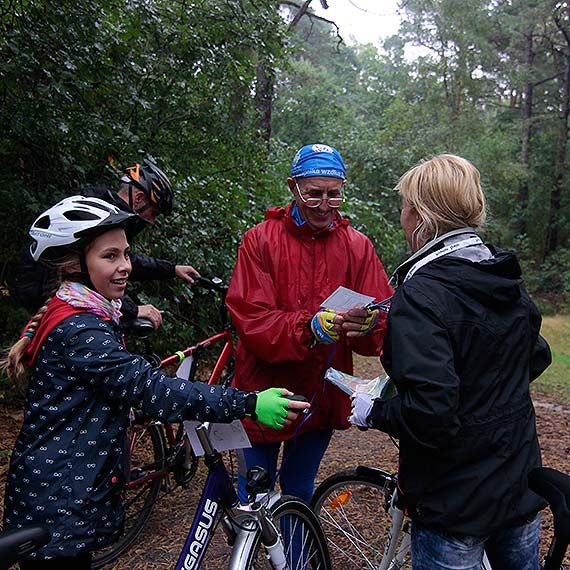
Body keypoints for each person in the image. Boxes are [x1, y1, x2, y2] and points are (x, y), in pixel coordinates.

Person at [1, 195, 309, 568]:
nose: (125, 266)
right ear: (75, 264)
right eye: (110, 256)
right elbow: (153, 390)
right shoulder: (79, 328)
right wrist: (247, 403)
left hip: (61, 490)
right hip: (59, 499)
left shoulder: (82, 311)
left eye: (126, 254)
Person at [349, 154, 552, 570]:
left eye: (405, 207)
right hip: (517, 483)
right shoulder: (499, 273)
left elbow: (431, 412)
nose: (401, 217)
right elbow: (535, 355)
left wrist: (375, 410)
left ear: (422, 216)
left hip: (453, 502)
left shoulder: (422, 294)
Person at [225, 143, 393, 503]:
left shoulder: (357, 246)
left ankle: (296, 559)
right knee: (255, 491)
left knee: (300, 490)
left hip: (320, 394)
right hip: (264, 390)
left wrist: (369, 324)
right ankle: (251, 557)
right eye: (313, 194)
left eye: (334, 195)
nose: (324, 205)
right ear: (292, 187)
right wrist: (309, 328)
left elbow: (379, 316)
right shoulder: (260, 241)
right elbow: (252, 319)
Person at [13, 158, 199, 330]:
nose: (151, 221)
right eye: (154, 212)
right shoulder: (98, 220)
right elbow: (85, 274)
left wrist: (172, 269)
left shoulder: (110, 213)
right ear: (139, 198)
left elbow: (126, 263)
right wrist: (131, 309)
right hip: (46, 302)